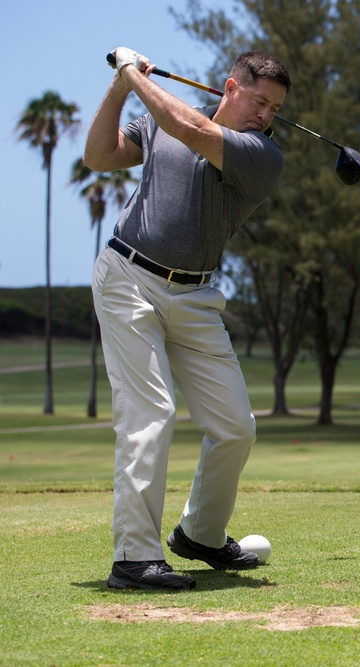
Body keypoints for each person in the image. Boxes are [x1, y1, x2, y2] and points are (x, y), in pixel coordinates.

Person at [83, 47, 291, 591]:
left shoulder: (259, 154)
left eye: (274, 108)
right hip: (129, 277)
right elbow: (99, 156)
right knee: (151, 414)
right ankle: (134, 558)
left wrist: (131, 72)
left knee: (235, 427)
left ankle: (199, 534)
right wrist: (120, 88)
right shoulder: (161, 120)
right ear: (230, 87)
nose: (266, 115)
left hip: (196, 298)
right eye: (259, 100)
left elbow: (190, 126)